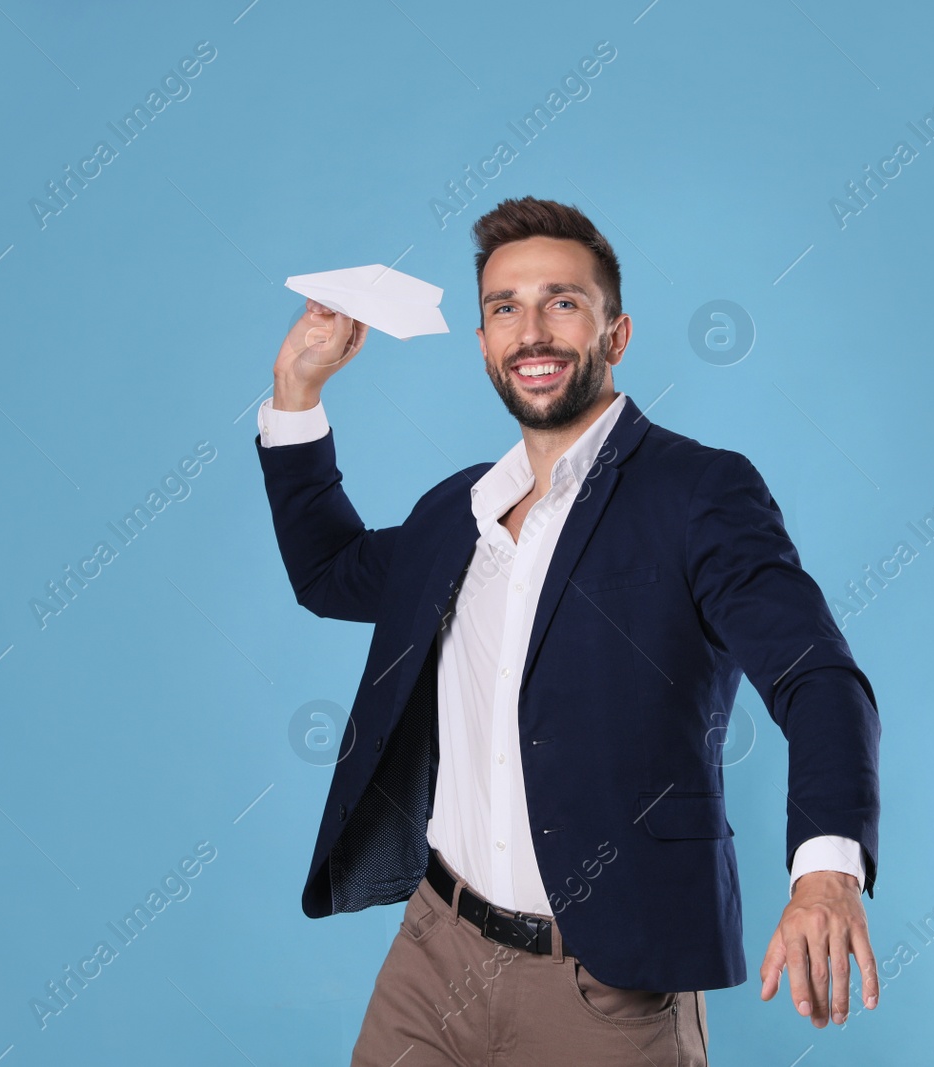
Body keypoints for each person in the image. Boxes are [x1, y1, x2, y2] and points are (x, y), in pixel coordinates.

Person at [255, 196, 881, 1065]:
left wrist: (826, 870)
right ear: (483, 345)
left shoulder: (700, 495)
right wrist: (297, 394)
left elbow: (817, 678)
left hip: (605, 989)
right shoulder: (458, 513)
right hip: (433, 957)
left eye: (563, 302)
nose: (532, 331)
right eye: (505, 308)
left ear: (616, 334)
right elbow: (329, 573)